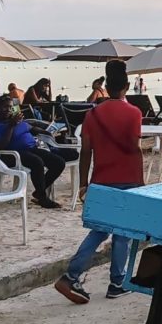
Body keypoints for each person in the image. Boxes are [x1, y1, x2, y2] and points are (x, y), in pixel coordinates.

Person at [55, 61, 143, 304]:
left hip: (101, 179)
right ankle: (116, 282)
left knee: (99, 230)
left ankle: (72, 276)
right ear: (126, 86)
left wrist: (83, 183)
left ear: (106, 85)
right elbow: (135, 150)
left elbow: (85, 152)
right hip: (128, 178)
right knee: (122, 233)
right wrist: (142, 182)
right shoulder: (134, 113)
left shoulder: (92, 114)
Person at [0, 94, 65, 208]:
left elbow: (32, 129)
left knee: (58, 162)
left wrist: (50, 133)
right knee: (37, 162)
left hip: (31, 149)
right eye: (5, 107)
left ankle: (38, 192)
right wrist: (11, 126)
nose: (9, 110)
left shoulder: (15, 119)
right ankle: (43, 198)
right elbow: (1, 145)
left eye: (11, 107)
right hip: (12, 154)